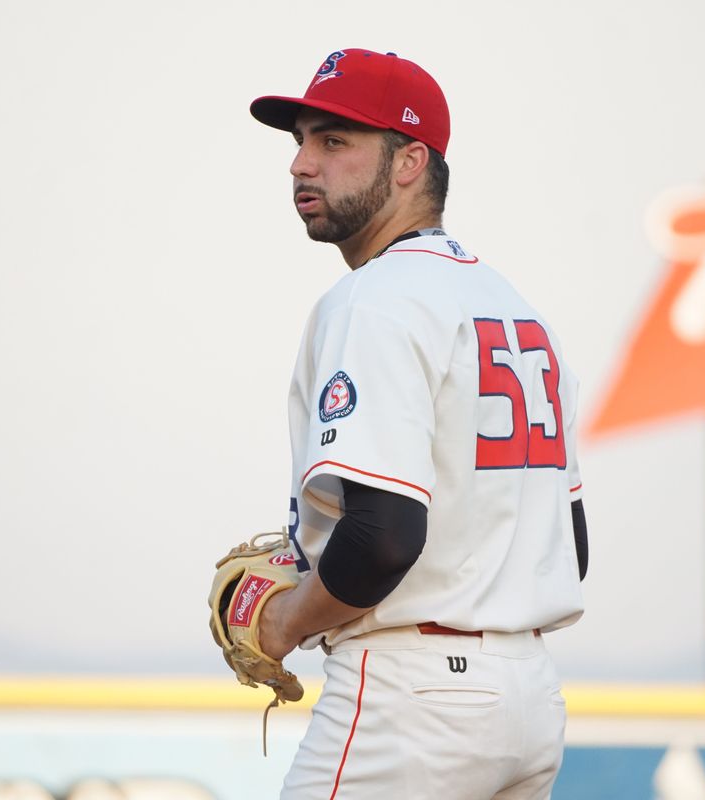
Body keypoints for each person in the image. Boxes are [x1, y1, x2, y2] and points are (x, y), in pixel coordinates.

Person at [249, 48, 588, 799]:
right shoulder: (515, 308)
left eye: (335, 141)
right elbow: (574, 543)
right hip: (529, 698)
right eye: (300, 139)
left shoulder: (377, 300)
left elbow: (384, 538)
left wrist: (284, 625)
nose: (303, 163)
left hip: (413, 703)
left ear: (409, 162)